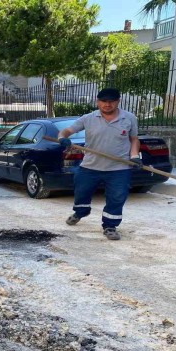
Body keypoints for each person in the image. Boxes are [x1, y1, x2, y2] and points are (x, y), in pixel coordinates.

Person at [57, 88, 142, 241]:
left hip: (119, 168)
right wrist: (62, 138)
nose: (107, 104)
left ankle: (110, 226)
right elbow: (66, 131)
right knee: (81, 192)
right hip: (90, 166)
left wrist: (135, 156)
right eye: (103, 101)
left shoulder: (129, 118)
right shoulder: (88, 118)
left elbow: (134, 139)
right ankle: (81, 212)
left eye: (111, 101)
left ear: (118, 101)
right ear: (98, 101)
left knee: (117, 197)